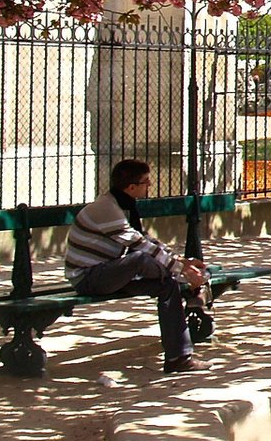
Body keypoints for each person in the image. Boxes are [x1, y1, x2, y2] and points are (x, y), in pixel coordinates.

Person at [64, 159, 209, 374]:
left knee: (167, 285)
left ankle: (179, 357)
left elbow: (146, 239)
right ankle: (193, 284)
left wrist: (180, 261)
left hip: (112, 272)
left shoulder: (124, 205)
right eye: (146, 182)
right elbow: (139, 245)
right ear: (131, 187)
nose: (149, 185)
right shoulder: (107, 208)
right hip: (89, 278)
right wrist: (182, 269)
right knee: (142, 259)